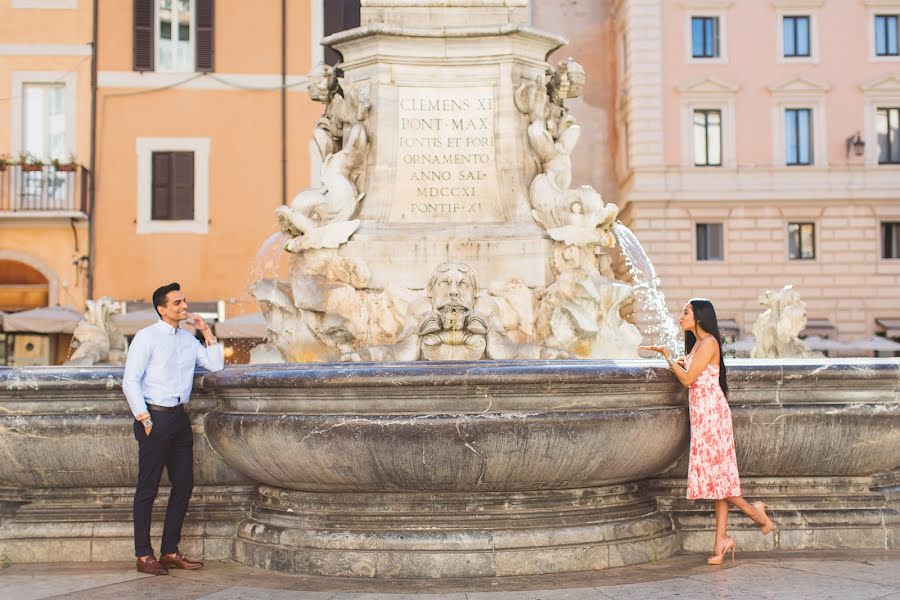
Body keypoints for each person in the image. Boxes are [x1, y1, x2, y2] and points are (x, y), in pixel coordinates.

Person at [641, 298, 774, 565]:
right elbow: (696, 372)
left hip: (712, 414)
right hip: (704, 413)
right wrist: (681, 360)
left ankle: (756, 513)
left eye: (686, 312)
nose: (681, 316)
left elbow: (689, 380)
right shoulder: (700, 345)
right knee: (719, 477)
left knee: (719, 478)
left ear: (699, 317)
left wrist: (668, 357)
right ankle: (721, 542)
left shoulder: (709, 342)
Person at [122, 282, 225, 575]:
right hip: (154, 417)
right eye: (177, 302)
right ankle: (143, 554)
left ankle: (169, 550)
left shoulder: (188, 339)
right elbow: (130, 380)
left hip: (179, 419)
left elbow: (215, 366)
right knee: (147, 488)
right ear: (162, 309)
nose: (184, 306)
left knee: (183, 485)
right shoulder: (146, 337)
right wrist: (144, 418)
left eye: (184, 301)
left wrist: (206, 331)